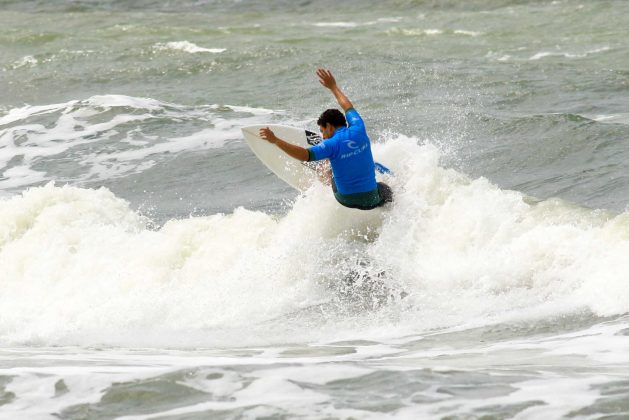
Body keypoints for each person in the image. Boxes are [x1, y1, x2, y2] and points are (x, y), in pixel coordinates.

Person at [259, 68, 392, 210]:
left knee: (330, 167)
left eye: (322, 131)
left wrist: (276, 140)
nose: (322, 136)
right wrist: (333, 87)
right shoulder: (359, 127)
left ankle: (325, 171)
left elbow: (305, 155)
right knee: (386, 190)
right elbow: (347, 107)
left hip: (345, 199)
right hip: (372, 200)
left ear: (329, 126)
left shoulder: (330, 144)